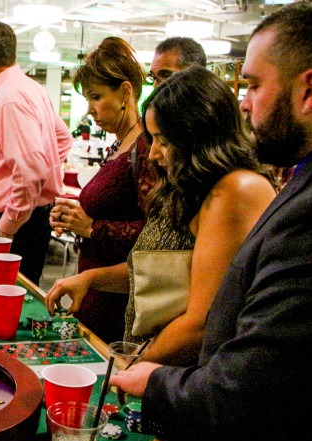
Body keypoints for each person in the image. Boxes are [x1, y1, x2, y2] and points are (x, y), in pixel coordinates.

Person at [111, 3, 312, 441]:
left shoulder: (264, 196)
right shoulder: (295, 183)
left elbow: (245, 384)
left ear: (308, 90)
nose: (243, 103)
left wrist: (146, 378)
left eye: (253, 85)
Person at [46, 66, 276, 366]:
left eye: (163, 140)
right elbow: (157, 273)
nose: (153, 154)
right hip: (158, 367)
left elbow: (201, 324)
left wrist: (131, 366)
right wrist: (90, 279)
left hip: (183, 377)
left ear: (199, 135)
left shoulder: (235, 191)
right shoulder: (187, 188)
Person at [49, 37, 155, 343]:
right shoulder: (119, 144)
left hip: (118, 300)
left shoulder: (146, 147)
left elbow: (156, 239)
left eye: (96, 97)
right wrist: (75, 220)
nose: (90, 110)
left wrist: (93, 228)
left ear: (125, 92)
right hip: (95, 289)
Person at [0, 21, 72, 285]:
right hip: (28, 218)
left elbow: (31, 171)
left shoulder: (9, 98)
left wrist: (7, 225)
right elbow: (62, 138)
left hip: (14, 224)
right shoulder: (32, 89)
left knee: (6, 306)